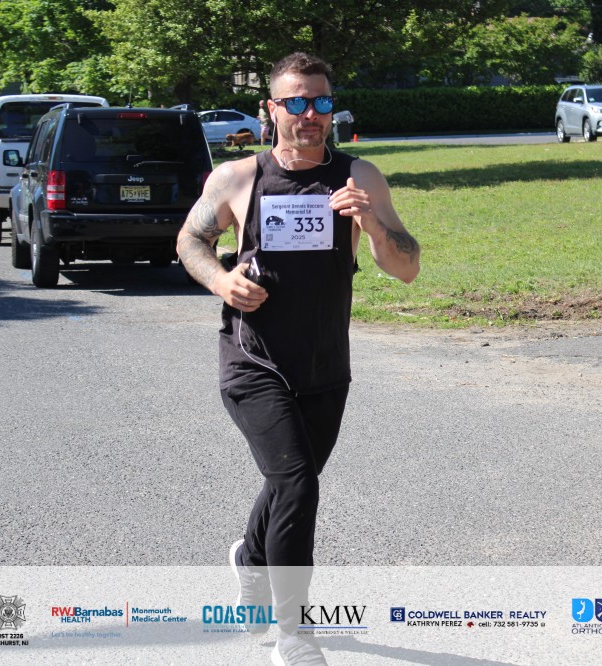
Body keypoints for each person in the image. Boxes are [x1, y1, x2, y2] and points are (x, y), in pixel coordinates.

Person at [177, 52, 420, 666]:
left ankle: (250, 559)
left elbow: (407, 268)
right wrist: (221, 281)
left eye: (321, 102)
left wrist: (373, 224)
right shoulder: (238, 178)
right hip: (253, 361)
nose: (310, 115)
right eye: (297, 103)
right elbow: (190, 239)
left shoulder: (359, 176)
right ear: (271, 110)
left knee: (291, 481)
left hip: (324, 365)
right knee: (297, 483)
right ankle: (293, 632)